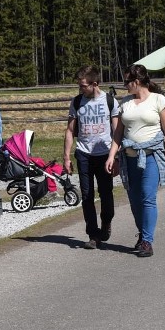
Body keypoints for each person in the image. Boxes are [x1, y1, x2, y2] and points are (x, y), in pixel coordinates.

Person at [105, 64, 165, 258]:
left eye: (126, 81)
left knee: (147, 198)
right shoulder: (125, 103)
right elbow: (118, 133)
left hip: (151, 157)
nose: (124, 85)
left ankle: (147, 241)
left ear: (136, 82)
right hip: (129, 158)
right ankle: (143, 233)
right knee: (134, 201)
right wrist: (112, 155)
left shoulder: (159, 100)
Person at [63, 65, 119, 250]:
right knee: (87, 196)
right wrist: (67, 157)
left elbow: (117, 131)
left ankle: (106, 222)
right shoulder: (77, 102)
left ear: (94, 84)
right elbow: (70, 130)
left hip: (104, 155)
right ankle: (93, 235)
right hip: (84, 154)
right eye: (79, 86)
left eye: (83, 86)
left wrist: (116, 157)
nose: (80, 89)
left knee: (106, 194)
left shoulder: (110, 101)